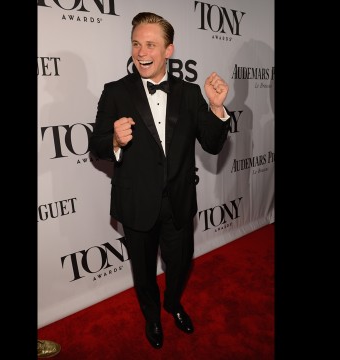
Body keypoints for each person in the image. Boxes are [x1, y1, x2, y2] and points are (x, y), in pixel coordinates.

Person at [89, 12, 231, 349]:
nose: (141, 52)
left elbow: (212, 144)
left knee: (180, 264)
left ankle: (173, 304)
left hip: (179, 200)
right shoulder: (115, 92)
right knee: (143, 270)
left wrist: (216, 109)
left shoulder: (190, 92)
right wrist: (114, 141)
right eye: (136, 44)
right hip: (136, 200)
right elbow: (95, 145)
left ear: (169, 50)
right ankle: (152, 316)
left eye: (150, 44)